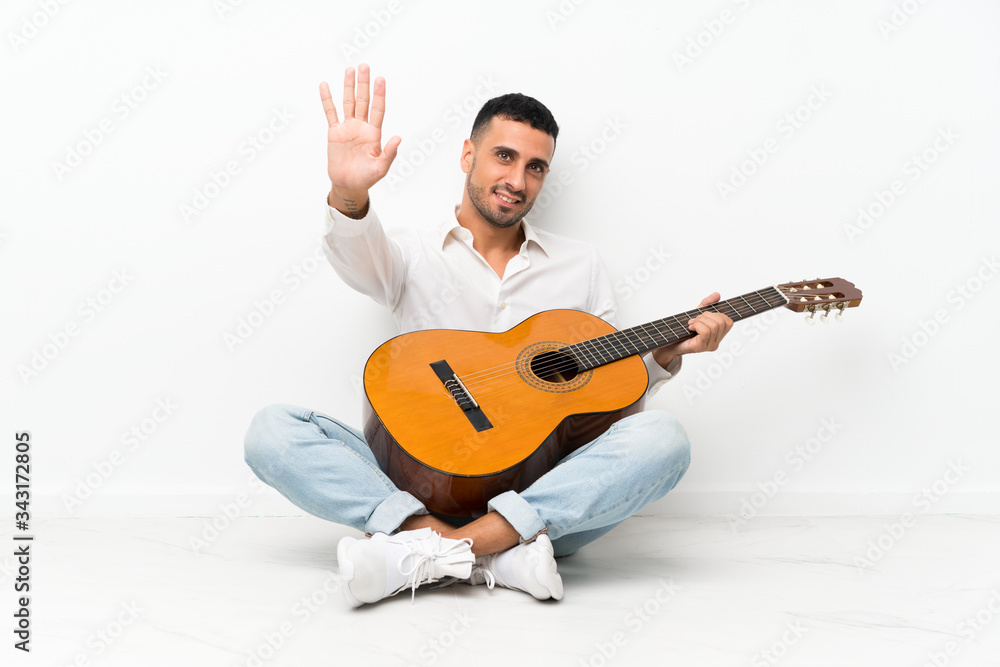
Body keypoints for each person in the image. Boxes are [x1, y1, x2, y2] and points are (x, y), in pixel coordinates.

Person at [243, 64, 733, 607]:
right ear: (467, 156)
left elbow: (604, 400)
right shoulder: (411, 252)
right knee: (272, 432)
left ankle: (430, 552)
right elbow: (355, 254)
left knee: (664, 439)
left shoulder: (581, 264)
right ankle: (494, 554)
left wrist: (661, 358)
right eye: (504, 156)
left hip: (538, 492)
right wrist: (348, 191)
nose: (517, 181)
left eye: (535, 167)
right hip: (415, 482)